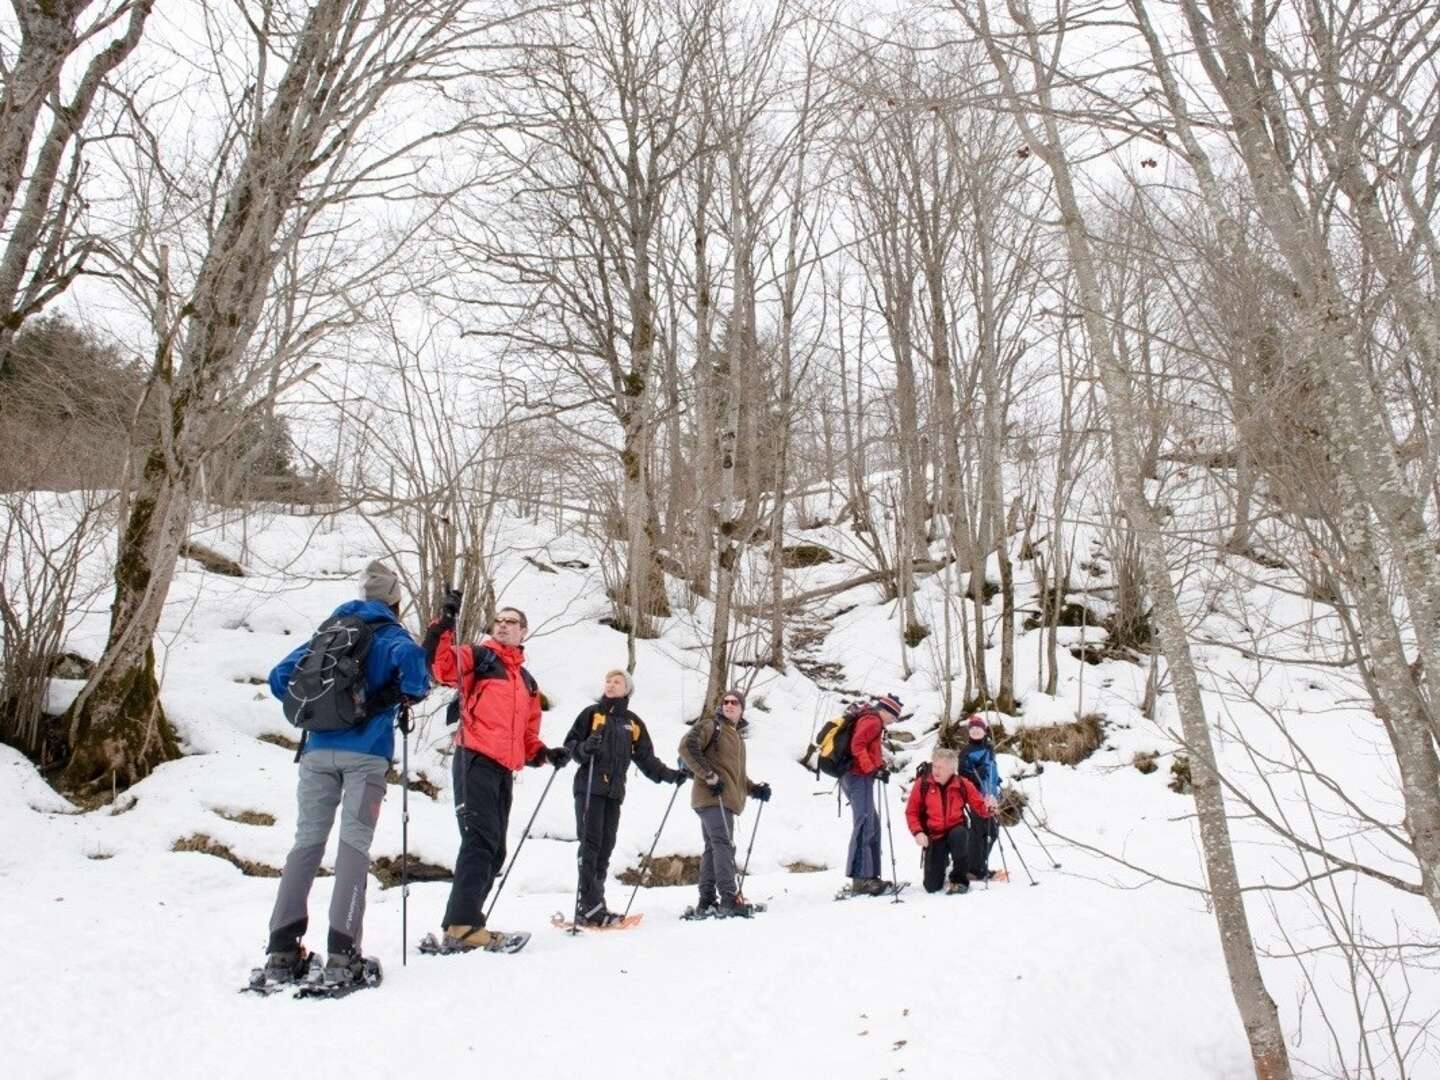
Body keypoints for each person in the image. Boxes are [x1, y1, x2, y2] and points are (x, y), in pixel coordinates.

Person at [262, 560, 431, 986]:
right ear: (395, 600)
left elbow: (280, 677)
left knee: (306, 845)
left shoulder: (330, 631)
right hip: (367, 753)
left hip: (317, 751)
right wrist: (398, 695)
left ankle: (281, 953)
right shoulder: (391, 635)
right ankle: (343, 953)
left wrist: (324, 713)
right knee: (353, 848)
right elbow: (416, 673)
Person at [426, 591, 568, 950]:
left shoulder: (526, 682)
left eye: (511, 622)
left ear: (524, 632)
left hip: (503, 769)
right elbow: (442, 667)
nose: (503, 626)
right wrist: (444, 625)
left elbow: (527, 735)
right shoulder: (480, 655)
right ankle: (461, 926)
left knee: (495, 849)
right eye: (499, 621)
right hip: (473, 757)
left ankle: (467, 923)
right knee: (479, 840)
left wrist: (546, 754)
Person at [563, 669, 686, 926]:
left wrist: (671, 776)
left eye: (617, 681)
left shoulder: (633, 723)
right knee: (591, 845)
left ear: (627, 689)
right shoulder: (591, 714)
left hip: (614, 793)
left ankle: (594, 904)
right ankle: (589, 906)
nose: (610, 684)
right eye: (607, 680)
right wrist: (585, 748)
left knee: (605, 847)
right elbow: (570, 746)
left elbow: (646, 759)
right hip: (589, 788)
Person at [677, 688, 771, 918]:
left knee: (714, 847)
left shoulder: (736, 738)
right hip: (711, 798)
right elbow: (687, 747)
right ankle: (729, 898)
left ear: (741, 709)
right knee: (723, 845)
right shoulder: (712, 726)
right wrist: (709, 776)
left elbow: (735, 777)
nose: (729, 705)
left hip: (723, 799)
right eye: (725, 702)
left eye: (734, 703)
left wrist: (754, 789)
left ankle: (707, 900)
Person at [905, 747, 990, 894]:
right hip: (934, 835)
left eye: (940, 768)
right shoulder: (922, 784)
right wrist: (918, 832)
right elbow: (911, 812)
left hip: (956, 831)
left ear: (952, 769)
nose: (936, 771)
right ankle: (943, 862)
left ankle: (959, 879)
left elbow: (980, 807)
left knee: (959, 835)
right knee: (931, 887)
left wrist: (989, 807)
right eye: (934, 766)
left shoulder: (962, 784)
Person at [842, 692, 903, 896]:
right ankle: (862, 880)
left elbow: (868, 749)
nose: (893, 721)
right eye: (894, 717)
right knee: (865, 823)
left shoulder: (870, 719)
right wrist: (872, 769)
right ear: (886, 711)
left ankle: (871, 875)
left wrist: (879, 766)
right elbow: (857, 746)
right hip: (857, 776)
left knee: (872, 823)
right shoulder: (872, 721)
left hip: (857, 776)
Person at [960, 714, 1002, 881]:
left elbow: (992, 769)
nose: (976, 731)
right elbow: (961, 774)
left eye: (979, 729)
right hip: (976, 796)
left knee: (991, 831)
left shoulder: (989, 748)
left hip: (990, 795)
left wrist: (997, 781)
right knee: (979, 832)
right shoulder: (967, 751)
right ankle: (973, 868)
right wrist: (973, 773)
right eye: (972, 729)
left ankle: (978, 865)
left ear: (985, 731)